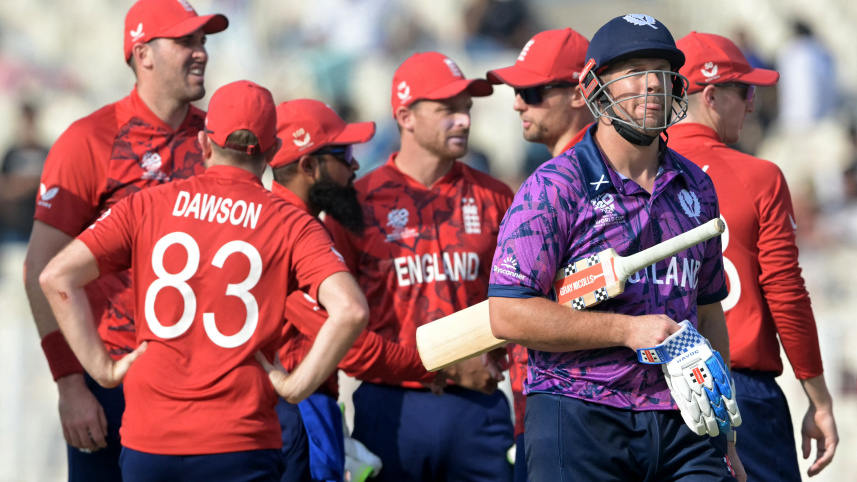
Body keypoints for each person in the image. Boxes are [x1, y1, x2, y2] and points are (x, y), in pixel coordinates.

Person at [38, 80, 369, 482]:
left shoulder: (147, 204)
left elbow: (56, 277)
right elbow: (350, 310)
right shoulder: (290, 222)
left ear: (204, 144)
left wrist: (102, 369)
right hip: (239, 440)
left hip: (150, 440)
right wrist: (296, 386)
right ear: (272, 152)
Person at [487, 14, 745, 481]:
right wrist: (627, 330)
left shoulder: (697, 188)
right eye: (633, 72)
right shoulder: (553, 187)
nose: (651, 86)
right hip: (580, 412)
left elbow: (708, 313)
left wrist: (727, 434)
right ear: (593, 86)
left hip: (687, 420)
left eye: (662, 73)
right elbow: (508, 314)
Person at [22, 0, 228, 479]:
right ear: (144, 54)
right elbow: (40, 269)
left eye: (202, 41)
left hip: (208, 387)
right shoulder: (89, 140)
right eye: (186, 42)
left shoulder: (218, 142)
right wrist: (70, 384)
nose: (201, 53)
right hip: (115, 384)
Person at [324, 51, 515, 481]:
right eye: (447, 109)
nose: (464, 120)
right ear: (406, 116)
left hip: (480, 407)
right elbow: (338, 327)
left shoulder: (497, 197)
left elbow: (525, 304)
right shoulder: (356, 205)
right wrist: (440, 365)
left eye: (466, 108)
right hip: (392, 406)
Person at [669, 31, 839, 480]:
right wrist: (818, 399)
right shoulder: (757, 175)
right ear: (709, 95)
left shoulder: (637, 175)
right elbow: (785, 292)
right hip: (738, 389)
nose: (751, 103)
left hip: (653, 393)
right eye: (744, 90)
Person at [269, 99, 456, 481]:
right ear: (308, 166)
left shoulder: (282, 220)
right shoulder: (289, 231)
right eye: (344, 153)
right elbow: (348, 341)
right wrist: (430, 367)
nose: (355, 165)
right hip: (293, 408)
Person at [485, 27, 591, 481]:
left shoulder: (581, 178)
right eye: (516, 90)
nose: (516, 103)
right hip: (550, 399)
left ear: (580, 92)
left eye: (530, 91)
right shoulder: (561, 174)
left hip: (578, 407)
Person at [0, 102, 49, 243]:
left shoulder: (46, 152)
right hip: (13, 226)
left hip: (40, 226)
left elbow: (52, 185)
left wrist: (26, 184)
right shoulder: (12, 152)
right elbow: (5, 186)